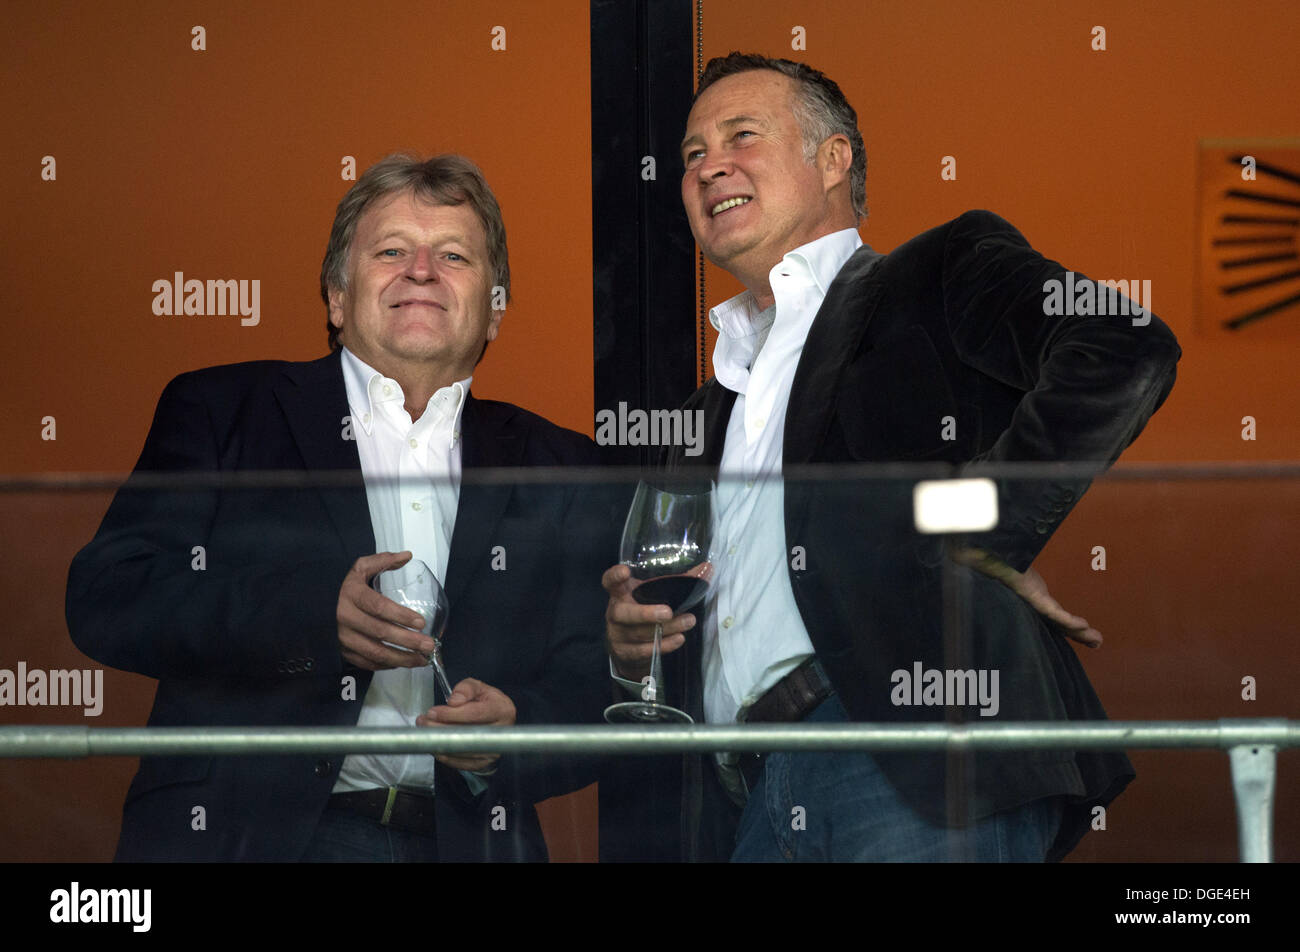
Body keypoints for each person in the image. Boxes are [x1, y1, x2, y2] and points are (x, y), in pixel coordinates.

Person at [601, 53, 1181, 862]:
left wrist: (986, 528)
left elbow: (1124, 345)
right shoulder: (705, 413)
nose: (710, 166)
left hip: (907, 751)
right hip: (748, 796)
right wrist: (634, 657)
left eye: (742, 136)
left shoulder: (936, 272)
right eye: (694, 154)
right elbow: (680, 609)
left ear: (832, 159)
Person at [67, 154, 615, 862]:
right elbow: (108, 598)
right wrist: (308, 621)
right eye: (391, 250)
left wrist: (517, 728)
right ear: (335, 297)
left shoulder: (563, 465)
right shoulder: (223, 410)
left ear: (496, 309)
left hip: (469, 841)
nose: (422, 269)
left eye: (453, 255)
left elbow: (604, 682)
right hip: (248, 838)